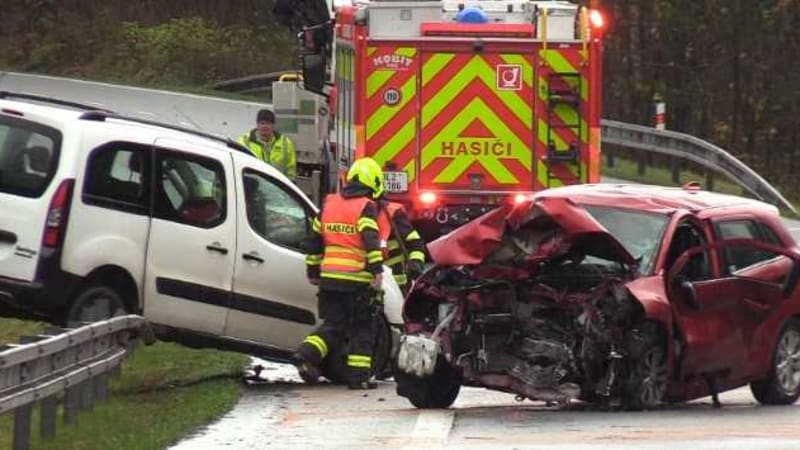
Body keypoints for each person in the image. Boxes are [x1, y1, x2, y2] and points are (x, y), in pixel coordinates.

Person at [294, 157, 385, 390]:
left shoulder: (329, 203)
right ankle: (359, 378)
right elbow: (371, 240)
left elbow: (314, 241)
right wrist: (376, 271)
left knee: (334, 324)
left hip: (330, 279)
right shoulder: (366, 206)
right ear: (372, 182)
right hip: (356, 280)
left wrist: (313, 270)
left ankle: (306, 354)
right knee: (362, 328)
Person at [377, 200, 426, 293]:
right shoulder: (352, 212)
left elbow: (415, 242)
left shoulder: (392, 213)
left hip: (395, 285)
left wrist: (416, 263)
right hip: (363, 283)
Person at [238, 109, 297, 181]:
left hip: (277, 186)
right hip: (253, 186)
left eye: (268, 123)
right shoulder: (244, 142)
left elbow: (291, 169)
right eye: (262, 123)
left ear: (273, 125)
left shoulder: (286, 143)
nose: (265, 126)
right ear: (257, 125)